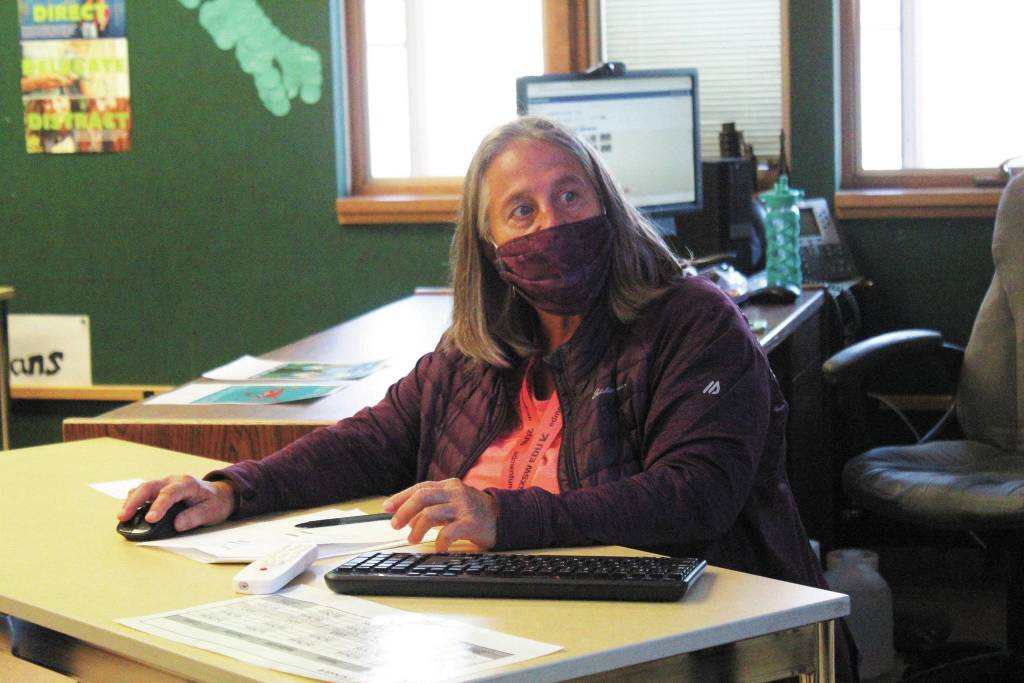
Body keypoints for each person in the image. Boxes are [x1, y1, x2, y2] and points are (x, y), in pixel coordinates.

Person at [121, 116, 853, 676]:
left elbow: (695, 497)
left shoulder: (693, 321)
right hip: (489, 638)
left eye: (570, 194)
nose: (553, 221)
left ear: (607, 202)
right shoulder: (479, 350)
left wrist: (502, 514)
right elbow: (375, 439)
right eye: (522, 210)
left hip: (683, 645)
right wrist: (234, 488)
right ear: (490, 247)